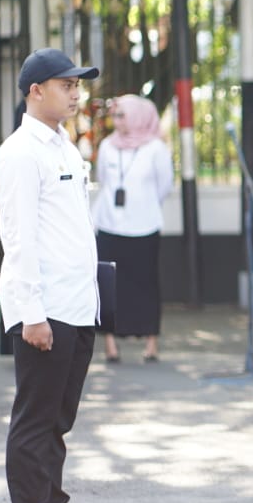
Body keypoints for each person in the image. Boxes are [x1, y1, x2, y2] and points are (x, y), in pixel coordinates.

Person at [0, 47, 117, 503]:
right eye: (66, 85)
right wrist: (32, 315)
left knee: (58, 419)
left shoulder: (65, 147)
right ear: (35, 90)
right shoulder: (20, 154)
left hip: (78, 302)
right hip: (44, 308)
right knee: (35, 418)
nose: (75, 93)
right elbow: (18, 239)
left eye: (77, 85)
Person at [91, 94, 174, 364]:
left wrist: (143, 203)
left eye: (122, 115)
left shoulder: (155, 148)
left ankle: (151, 342)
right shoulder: (108, 146)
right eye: (115, 116)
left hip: (144, 225)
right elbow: (103, 179)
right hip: (109, 224)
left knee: (145, 283)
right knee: (109, 285)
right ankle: (110, 344)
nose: (117, 121)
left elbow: (164, 185)